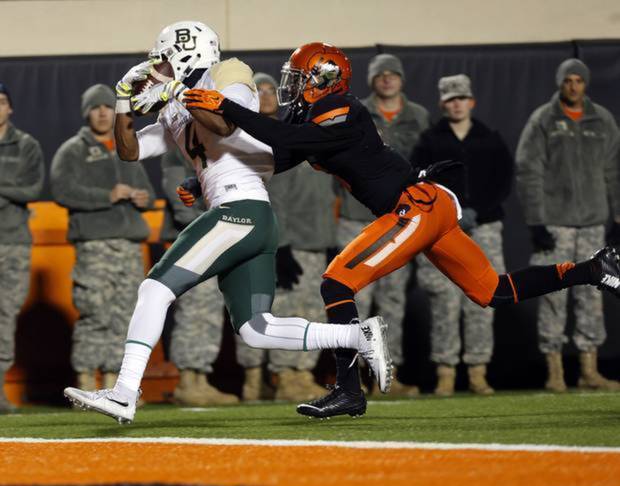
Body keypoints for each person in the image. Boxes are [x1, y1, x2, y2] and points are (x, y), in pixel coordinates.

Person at [183, 42, 620, 419]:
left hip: (415, 207)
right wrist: (205, 179)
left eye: (299, 78)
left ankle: (349, 391)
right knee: (493, 291)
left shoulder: (341, 108)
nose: (291, 87)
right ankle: (594, 269)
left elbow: (286, 142)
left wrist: (226, 107)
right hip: (423, 207)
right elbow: (276, 158)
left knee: (337, 280)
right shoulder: (312, 117)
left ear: (324, 77)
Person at [64, 22, 391, 424]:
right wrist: (121, 101)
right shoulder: (174, 105)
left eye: (163, 60)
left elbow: (225, 122)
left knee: (154, 289)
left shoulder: (228, 73)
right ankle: (359, 335)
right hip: (246, 217)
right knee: (256, 329)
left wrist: (175, 91)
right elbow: (131, 151)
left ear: (186, 55)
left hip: (240, 210)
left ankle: (124, 391)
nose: (155, 68)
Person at [516, 58, 620, 392]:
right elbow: (528, 169)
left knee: (593, 294)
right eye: (567, 81)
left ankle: (589, 370)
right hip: (555, 223)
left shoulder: (602, 120)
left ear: (585, 84)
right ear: (559, 84)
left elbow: (614, 172)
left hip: (592, 222)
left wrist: (617, 217)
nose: (573, 86)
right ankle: (555, 370)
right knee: (553, 294)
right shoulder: (543, 120)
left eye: (578, 80)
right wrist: (536, 221)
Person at [333, 54, 429, 397]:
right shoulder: (354, 111)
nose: (387, 79)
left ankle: (388, 377)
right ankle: (352, 377)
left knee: (393, 303)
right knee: (352, 300)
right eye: (380, 75)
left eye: (393, 74)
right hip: (356, 218)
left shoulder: (419, 117)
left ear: (402, 79)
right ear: (371, 80)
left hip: (402, 221)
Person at [412, 74, 513, 396]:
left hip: (485, 228)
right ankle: (445, 372)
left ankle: (478, 371)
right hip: (443, 230)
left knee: (484, 296)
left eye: (462, 98)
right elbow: (420, 185)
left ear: (471, 101)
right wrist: (453, 212)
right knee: (444, 301)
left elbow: (503, 182)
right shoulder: (429, 141)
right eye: (450, 99)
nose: (457, 104)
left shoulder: (491, 138)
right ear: (442, 104)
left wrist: (478, 212)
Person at [51, 84, 155, 393]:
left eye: (108, 107)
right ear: (87, 113)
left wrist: (142, 199)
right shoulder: (73, 149)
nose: (102, 112)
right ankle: (84, 380)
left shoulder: (126, 148)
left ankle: (114, 384)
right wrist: (106, 195)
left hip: (129, 245)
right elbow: (61, 190)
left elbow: (147, 193)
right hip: (95, 245)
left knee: (124, 315)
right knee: (95, 312)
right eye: (96, 107)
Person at [235, 73, 330, 402]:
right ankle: (286, 376)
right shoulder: (254, 139)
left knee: (311, 309)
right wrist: (282, 243)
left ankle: (300, 374)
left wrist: (329, 237)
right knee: (284, 308)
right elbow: (272, 197)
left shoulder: (292, 132)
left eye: (269, 89)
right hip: (284, 241)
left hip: (314, 239)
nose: (265, 94)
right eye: (256, 90)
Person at [160, 147, 238, 405]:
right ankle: (186, 382)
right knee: (193, 309)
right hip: (191, 238)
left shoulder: (218, 149)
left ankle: (200, 378)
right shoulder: (177, 152)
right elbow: (178, 199)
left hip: (215, 238)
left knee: (208, 308)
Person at [0, 83, 45, 412]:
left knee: (5, 315)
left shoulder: (26, 144)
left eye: (1, 102)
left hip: (13, 240)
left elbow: (34, 187)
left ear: (10, 108)